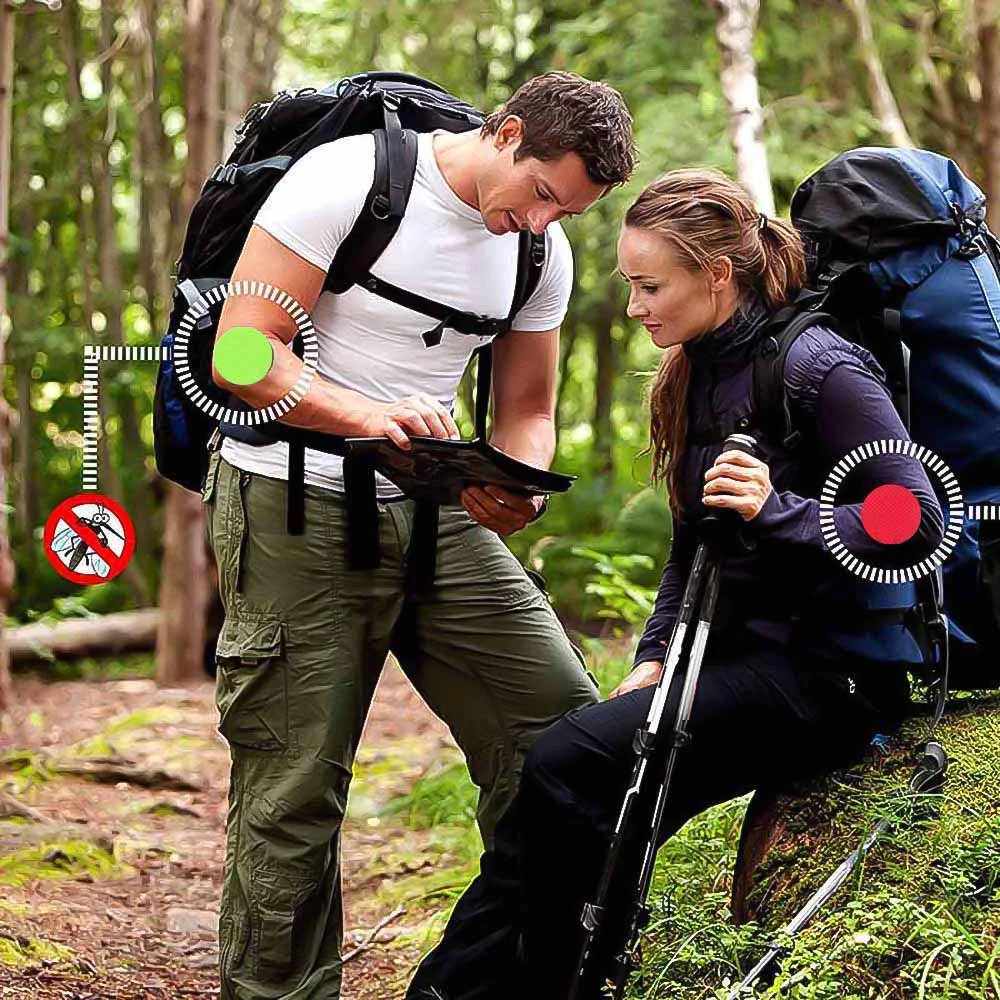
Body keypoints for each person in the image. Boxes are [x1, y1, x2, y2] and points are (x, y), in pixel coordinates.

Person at [406, 168, 945, 1000]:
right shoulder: (700, 369)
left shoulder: (817, 364)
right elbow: (693, 539)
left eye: (651, 285)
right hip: (735, 660)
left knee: (564, 760)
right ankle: (455, 990)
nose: (634, 307)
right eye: (631, 285)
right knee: (576, 801)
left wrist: (781, 512)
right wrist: (656, 652)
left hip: (831, 674)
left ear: (716, 275)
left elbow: (918, 523)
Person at [202, 72, 637, 1000]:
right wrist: (365, 414)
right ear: (508, 132)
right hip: (292, 502)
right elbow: (238, 353)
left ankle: (507, 976)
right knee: (294, 792)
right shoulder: (347, 180)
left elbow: (528, 408)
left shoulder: (539, 255)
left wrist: (516, 484)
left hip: (435, 512)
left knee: (562, 732)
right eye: (542, 195)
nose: (542, 223)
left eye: (568, 212)